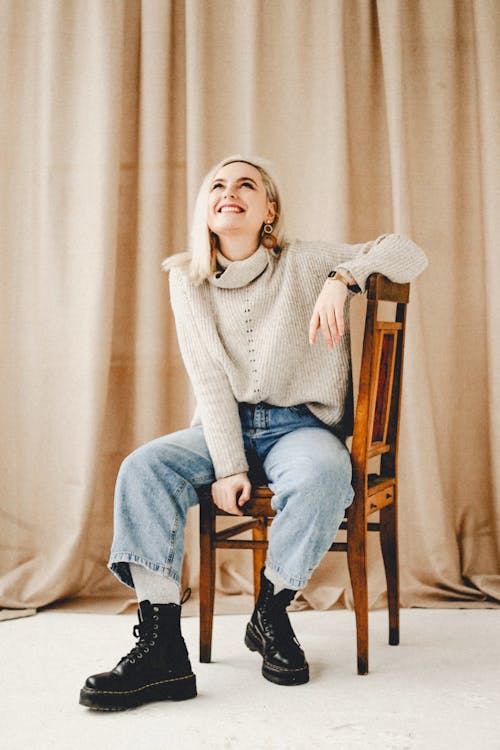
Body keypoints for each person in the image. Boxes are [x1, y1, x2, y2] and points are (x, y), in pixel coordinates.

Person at [79, 155, 428, 710]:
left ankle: (270, 610)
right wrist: (229, 465)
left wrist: (343, 279)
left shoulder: (308, 261)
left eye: (247, 184)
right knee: (142, 467)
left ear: (270, 209)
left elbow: (409, 252)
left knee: (324, 476)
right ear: (206, 208)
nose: (229, 192)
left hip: (301, 427)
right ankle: (163, 648)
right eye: (217, 185)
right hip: (226, 427)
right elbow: (210, 380)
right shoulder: (185, 278)